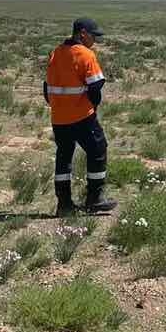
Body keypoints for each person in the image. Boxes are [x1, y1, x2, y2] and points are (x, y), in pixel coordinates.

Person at [44, 16, 115, 215]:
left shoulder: (55, 53)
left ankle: (64, 204)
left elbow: (46, 87)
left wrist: (58, 106)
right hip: (82, 115)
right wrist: (92, 106)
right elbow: (96, 86)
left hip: (58, 117)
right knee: (98, 150)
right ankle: (95, 198)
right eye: (93, 36)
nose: (95, 41)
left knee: (64, 156)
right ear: (82, 33)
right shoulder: (85, 54)